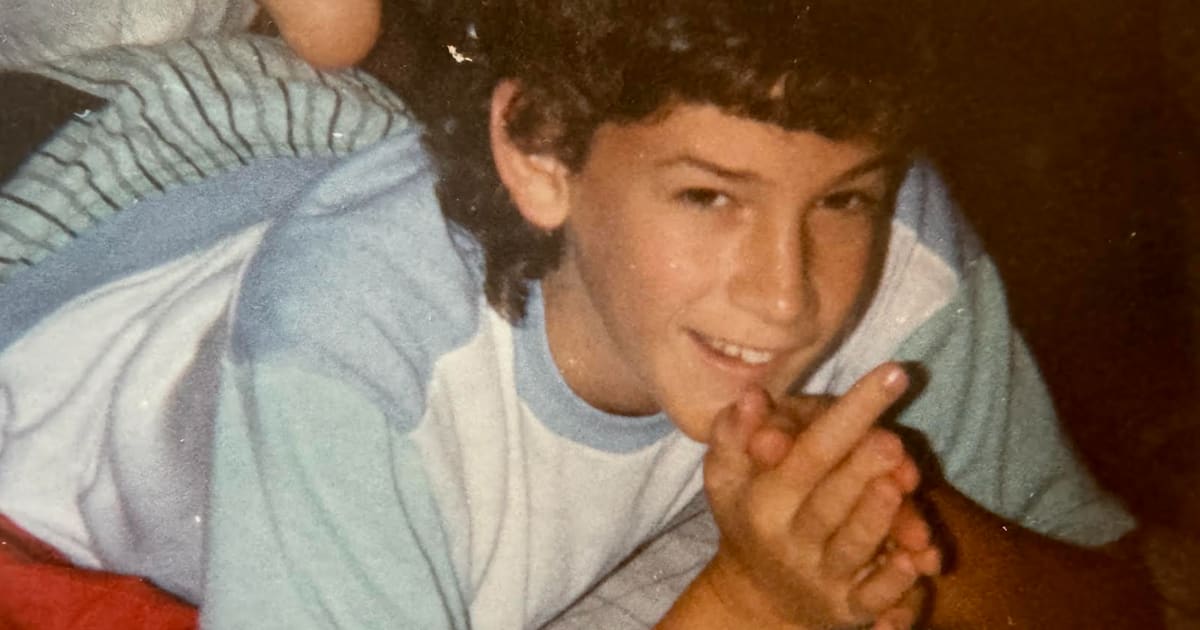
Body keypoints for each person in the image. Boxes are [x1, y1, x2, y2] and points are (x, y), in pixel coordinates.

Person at [0, 0, 1160, 628]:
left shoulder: (898, 241)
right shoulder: (351, 359)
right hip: (66, 326)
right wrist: (752, 600)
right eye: (709, 196)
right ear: (540, 156)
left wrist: (904, 524)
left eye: (842, 198)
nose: (788, 292)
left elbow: (1118, 599)